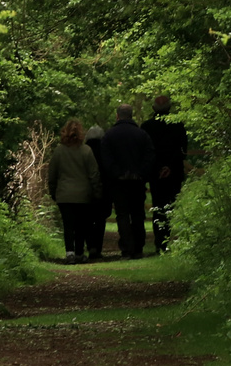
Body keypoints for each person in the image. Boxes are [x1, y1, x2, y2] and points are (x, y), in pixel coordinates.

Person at [96, 103, 155, 259]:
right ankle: (138, 247)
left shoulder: (109, 135)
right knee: (137, 213)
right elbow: (149, 156)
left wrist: (116, 173)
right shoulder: (142, 135)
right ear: (131, 115)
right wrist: (141, 173)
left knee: (122, 214)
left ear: (117, 116)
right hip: (137, 181)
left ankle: (126, 248)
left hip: (118, 182)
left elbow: (106, 159)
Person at [43, 118, 102, 263]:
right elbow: (94, 174)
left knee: (68, 224)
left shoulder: (58, 151)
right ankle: (79, 252)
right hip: (83, 194)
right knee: (81, 225)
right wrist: (97, 192)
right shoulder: (86, 151)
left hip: (64, 194)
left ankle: (69, 252)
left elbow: (52, 174)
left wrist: (53, 191)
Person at [140, 95, 190, 253]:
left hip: (156, 175)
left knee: (158, 207)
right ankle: (170, 240)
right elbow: (183, 150)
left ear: (154, 108)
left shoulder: (147, 126)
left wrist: (158, 168)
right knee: (172, 206)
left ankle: (160, 241)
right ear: (169, 108)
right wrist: (169, 166)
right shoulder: (178, 125)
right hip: (174, 173)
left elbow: (146, 152)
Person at [83, 123, 112, 260]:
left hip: (86, 189)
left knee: (87, 219)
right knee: (100, 219)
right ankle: (97, 248)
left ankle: (91, 246)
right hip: (103, 189)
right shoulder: (105, 151)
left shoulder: (83, 150)